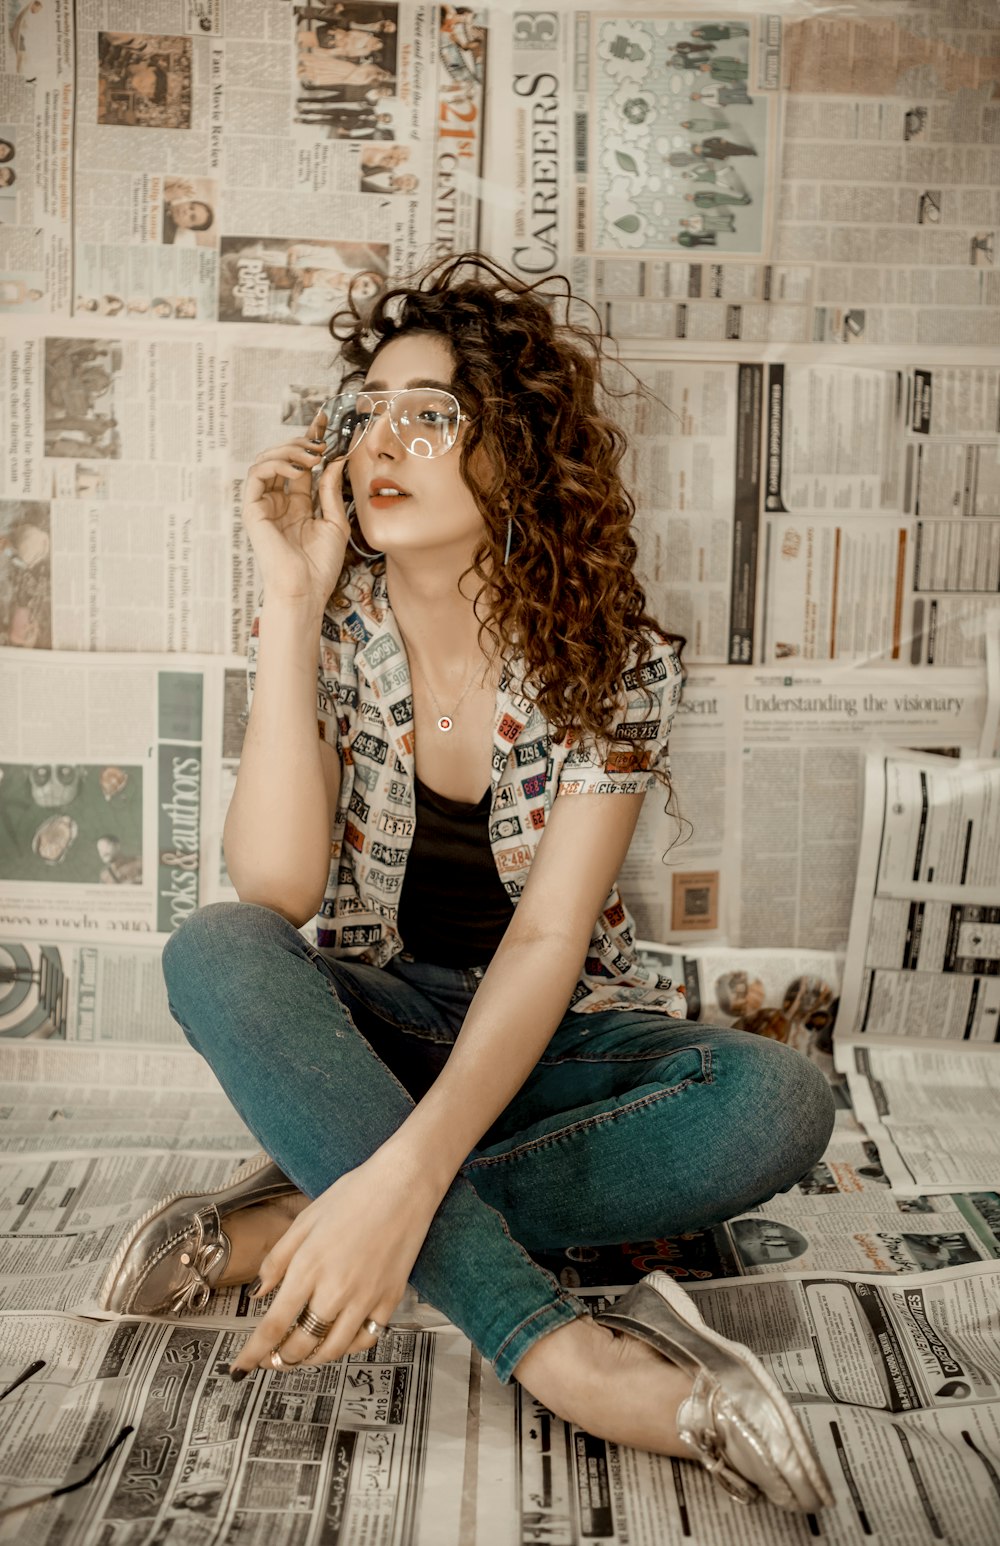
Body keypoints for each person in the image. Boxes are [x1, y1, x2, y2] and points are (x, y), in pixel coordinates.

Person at [99, 253, 835, 1514]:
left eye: (427, 414)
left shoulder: (611, 659)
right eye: (366, 411)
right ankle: (558, 1353)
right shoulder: (337, 622)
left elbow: (549, 939)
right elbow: (272, 887)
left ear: (515, 451)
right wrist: (290, 595)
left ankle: (298, 1220)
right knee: (215, 946)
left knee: (778, 1102)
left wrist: (396, 1174)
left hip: (542, 1038)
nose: (382, 440)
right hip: (375, 1025)